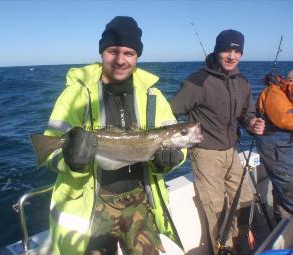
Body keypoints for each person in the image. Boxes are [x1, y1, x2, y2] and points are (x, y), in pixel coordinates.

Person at [43, 16, 187, 255]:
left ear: (137, 56)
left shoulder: (154, 95)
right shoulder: (75, 95)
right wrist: (71, 161)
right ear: (102, 52)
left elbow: (178, 144)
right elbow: (51, 152)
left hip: (141, 199)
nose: (120, 60)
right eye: (113, 51)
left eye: (129, 53)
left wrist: (170, 162)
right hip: (93, 204)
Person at [170, 29, 265, 254]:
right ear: (217, 51)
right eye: (227, 50)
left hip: (231, 151)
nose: (232, 56)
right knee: (216, 208)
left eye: (237, 51)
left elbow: (246, 113)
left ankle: (238, 243)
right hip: (205, 153)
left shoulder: (242, 81)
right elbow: (171, 111)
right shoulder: (197, 81)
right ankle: (224, 250)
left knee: (244, 200)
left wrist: (252, 123)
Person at [256, 70, 293, 223]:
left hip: (285, 151)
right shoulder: (274, 94)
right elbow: (284, 119)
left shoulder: (287, 93)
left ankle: (283, 227)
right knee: (288, 193)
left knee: (282, 192)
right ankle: (286, 231)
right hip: (278, 152)